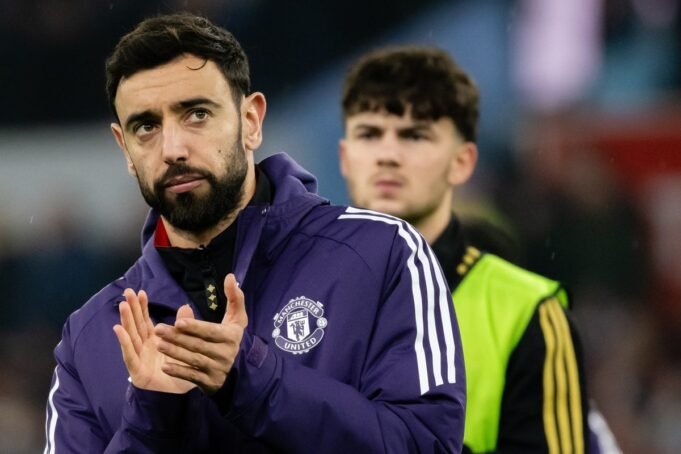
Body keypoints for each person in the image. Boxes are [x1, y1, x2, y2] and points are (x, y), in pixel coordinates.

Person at [43, 15, 466, 453]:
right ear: (125, 148)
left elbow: (427, 444)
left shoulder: (381, 254)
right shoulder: (89, 338)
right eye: (146, 127)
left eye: (197, 114)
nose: (172, 149)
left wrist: (252, 379)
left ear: (251, 121)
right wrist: (152, 418)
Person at [339, 46, 618, 453]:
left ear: (463, 162)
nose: (388, 155)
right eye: (369, 134)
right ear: (345, 157)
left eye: (415, 135)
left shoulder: (529, 313)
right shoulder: (293, 296)